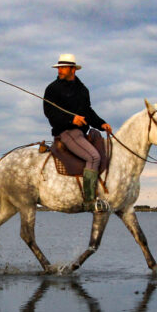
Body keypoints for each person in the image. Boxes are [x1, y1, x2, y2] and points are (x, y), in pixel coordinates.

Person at [43, 53, 113, 212]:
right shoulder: (52, 89)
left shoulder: (82, 89)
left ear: (73, 70)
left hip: (82, 133)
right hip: (66, 132)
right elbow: (50, 113)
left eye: (63, 67)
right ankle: (89, 201)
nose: (59, 70)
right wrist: (71, 120)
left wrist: (101, 123)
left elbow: (88, 112)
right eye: (59, 67)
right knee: (94, 157)